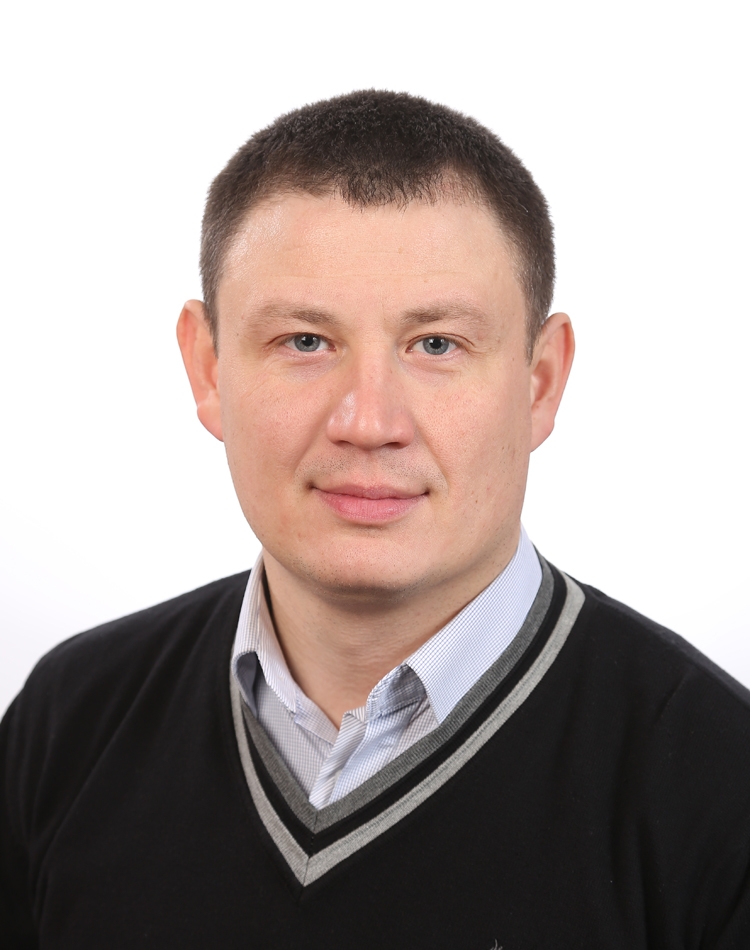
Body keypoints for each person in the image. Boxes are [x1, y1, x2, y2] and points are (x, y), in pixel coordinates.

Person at [1, 90, 749, 950]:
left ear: (540, 383)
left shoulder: (720, 788)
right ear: (208, 368)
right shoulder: (69, 720)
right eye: (305, 341)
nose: (368, 421)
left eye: (436, 344)